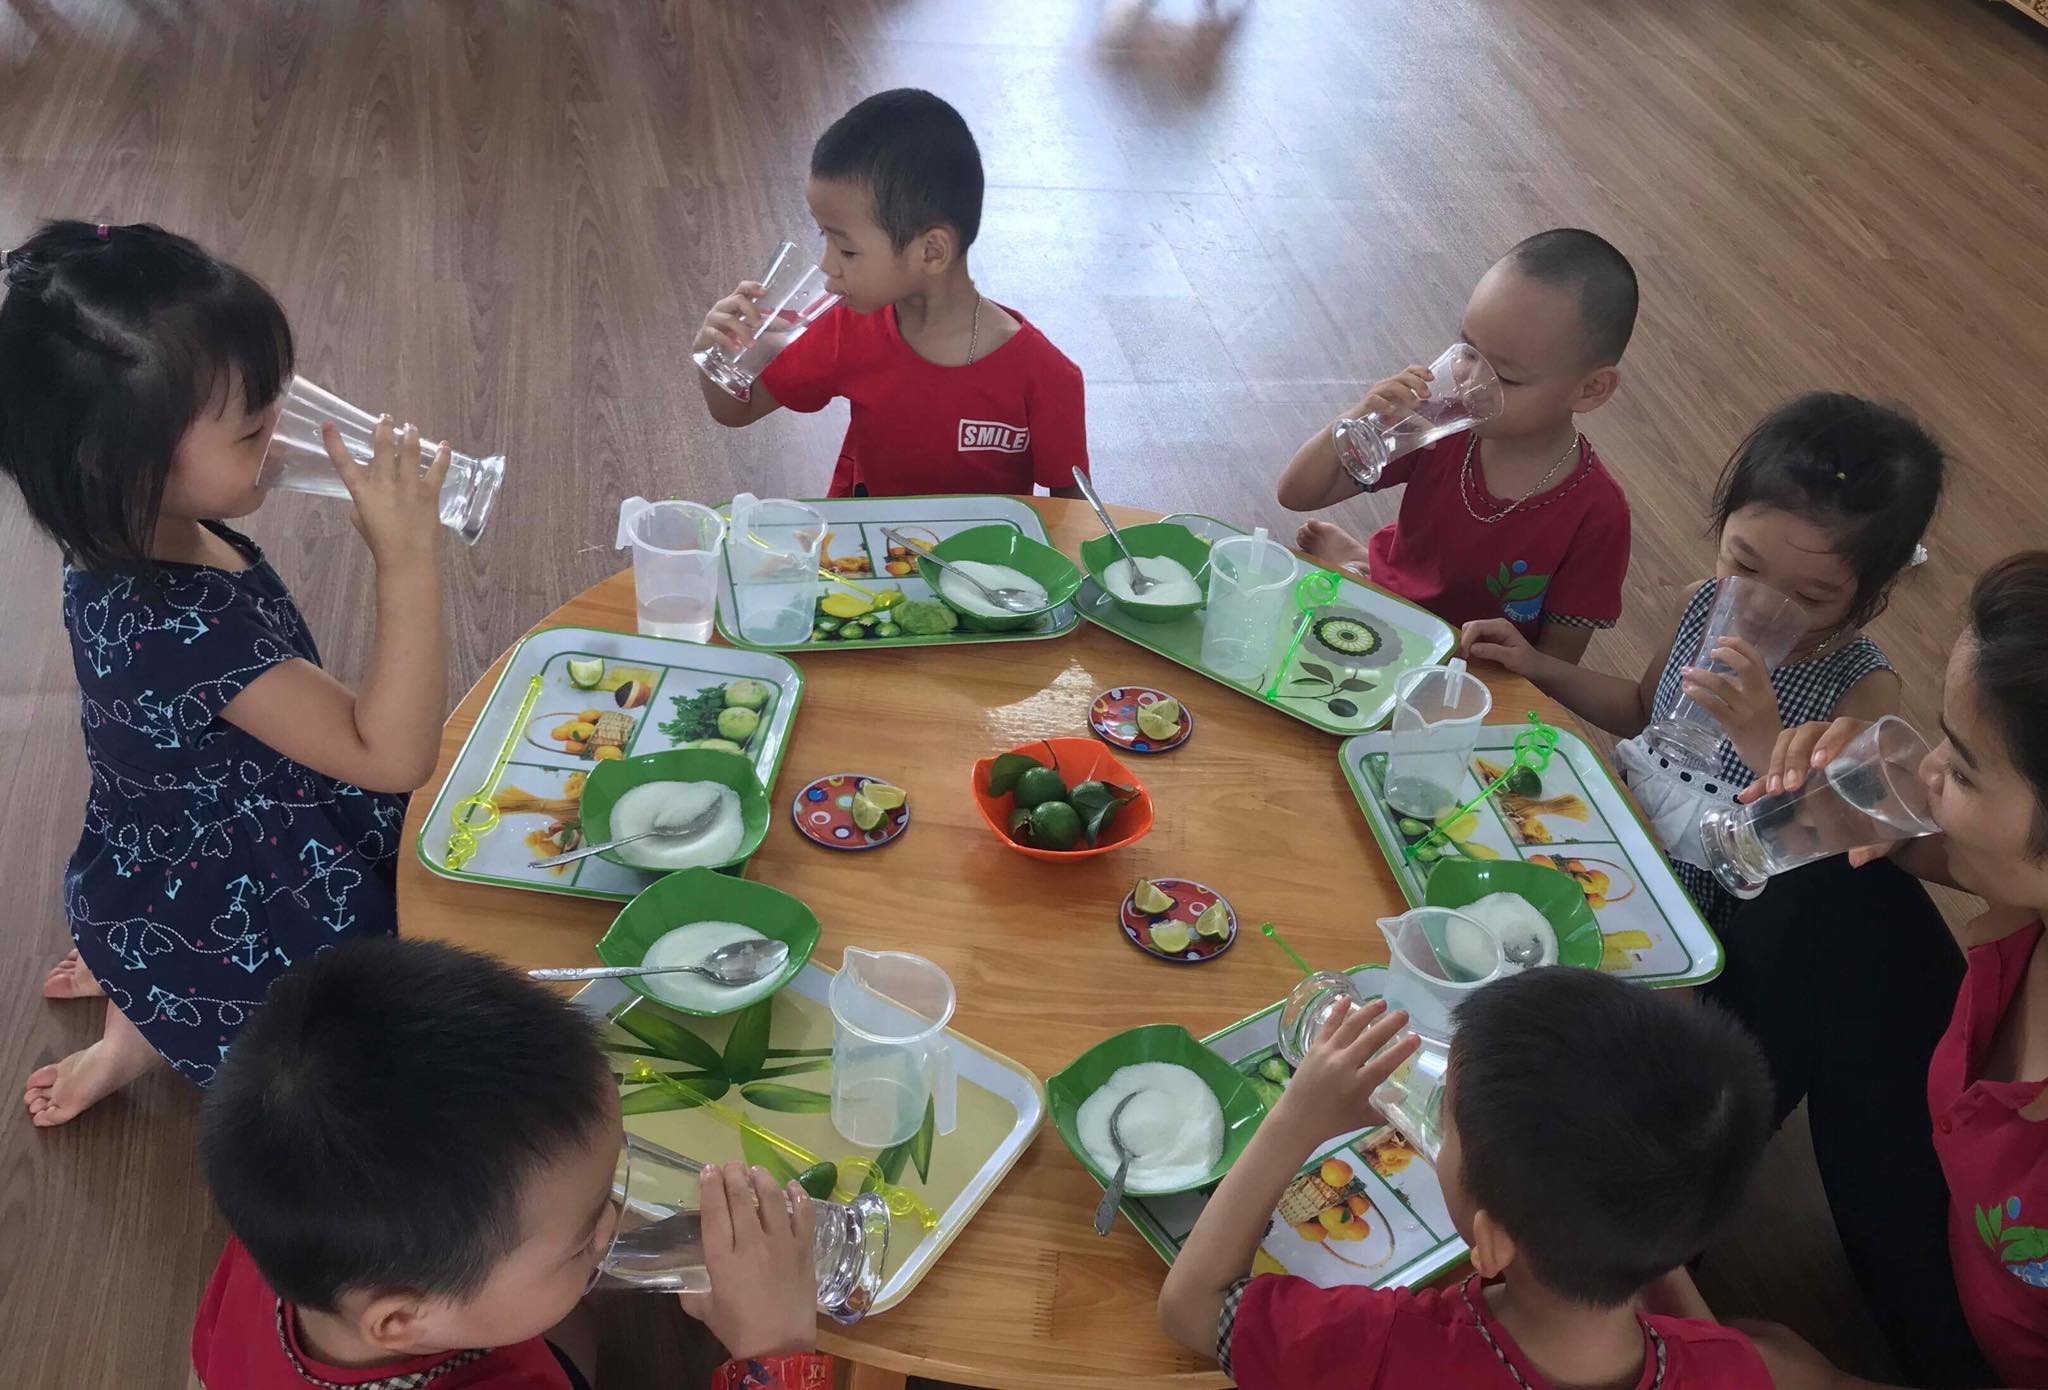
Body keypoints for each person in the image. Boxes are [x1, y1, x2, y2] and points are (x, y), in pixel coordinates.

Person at [0, 220, 450, 1126]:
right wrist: (407, 560)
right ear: (124, 463)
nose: (281, 438)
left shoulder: (129, 529)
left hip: (173, 817)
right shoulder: (179, 624)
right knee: (280, 1004)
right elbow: (392, 756)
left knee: (156, 946)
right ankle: (141, 1020)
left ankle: (138, 988)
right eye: (253, 431)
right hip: (233, 870)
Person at [192, 936, 834, 1390]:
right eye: (584, 1236)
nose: (616, 1220)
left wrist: (563, 1243)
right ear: (403, 1320)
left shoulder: (306, 1218)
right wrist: (775, 1351)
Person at [1732, 552, 2048, 1389]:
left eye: (1963, 768)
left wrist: (1830, 1383)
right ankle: (1640, 1195)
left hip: (1982, 1357)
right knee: (1833, 877)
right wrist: (1855, 805)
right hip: (1964, 1200)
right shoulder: (2030, 900)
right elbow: (1896, 846)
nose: (1928, 769)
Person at [1464, 391, 1946, 933]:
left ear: (1872, 593)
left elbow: (1835, 838)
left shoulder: (1862, 683)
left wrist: (1765, 744)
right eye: (1744, 563)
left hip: (1703, 890)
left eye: (1810, 597)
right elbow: (1643, 709)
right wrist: (1538, 665)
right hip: (1616, 822)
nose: (1760, 605)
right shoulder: (1701, 603)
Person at [1158, 969, 1777, 1388]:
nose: (1431, 1124)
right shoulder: (1733, 1368)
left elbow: (1192, 1307)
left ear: (1492, 1243)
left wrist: (1297, 1119)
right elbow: (1702, 1337)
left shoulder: (1385, 1350)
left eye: (1445, 1121)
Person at [693, 88, 1088, 499]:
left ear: (931, 251)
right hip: (863, 536)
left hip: (983, 544)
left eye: (847, 249)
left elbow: (1075, 512)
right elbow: (736, 411)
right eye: (824, 236)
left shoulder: (1045, 377)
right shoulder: (845, 327)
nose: (827, 264)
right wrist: (714, 354)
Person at [1277, 228, 1637, 663]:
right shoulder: (1440, 425)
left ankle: (1364, 566)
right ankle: (1372, 568)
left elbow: (1557, 663)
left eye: (1506, 377)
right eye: (1468, 350)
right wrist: (1357, 417)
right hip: (1390, 612)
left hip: (1469, 665)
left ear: (1591, 389)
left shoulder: (1597, 513)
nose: (1470, 381)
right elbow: (1297, 494)